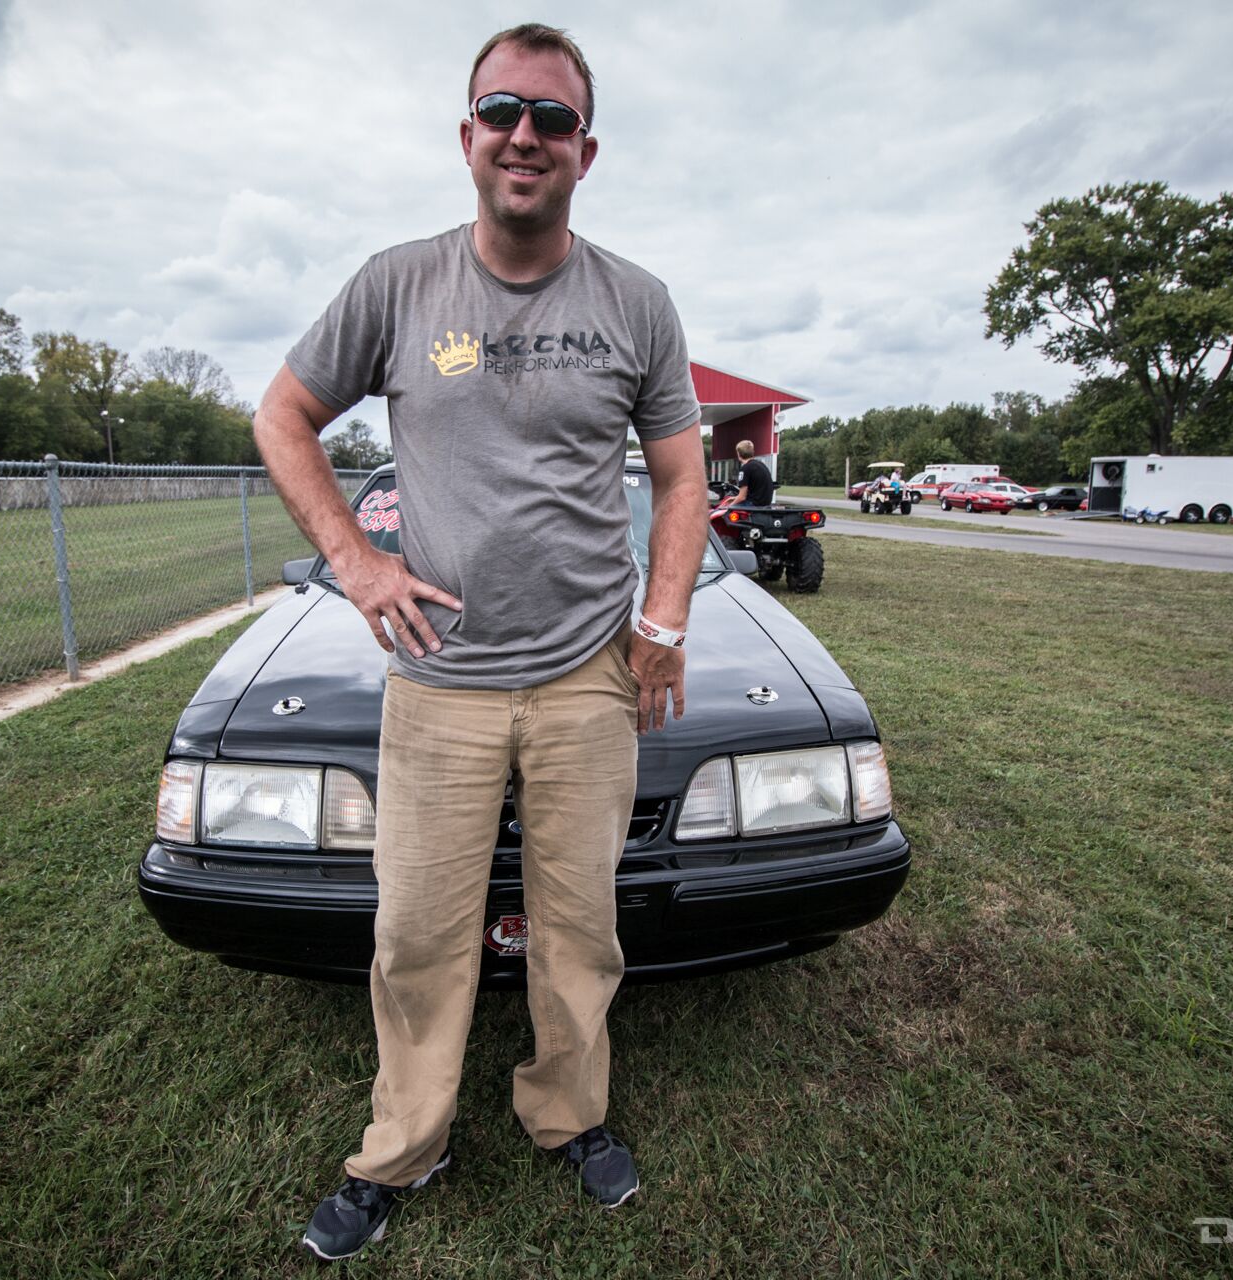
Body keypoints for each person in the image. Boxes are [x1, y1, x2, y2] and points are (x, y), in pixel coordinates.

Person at [252, 23, 707, 1263]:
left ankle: (568, 1113)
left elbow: (681, 477)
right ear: (466, 136)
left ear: (584, 151)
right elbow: (284, 414)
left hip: (587, 675)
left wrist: (663, 622)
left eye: (552, 118)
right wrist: (356, 561)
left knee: (580, 927)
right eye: (502, 111)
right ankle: (405, 1142)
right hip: (439, 680)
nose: (525, 135)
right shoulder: (397, 284)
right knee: (416, 933)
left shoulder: (636, 302)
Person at [714, 439, 774, 507]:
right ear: (752, 452)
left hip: (754, 505)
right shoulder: (761, 465)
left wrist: (728, 507)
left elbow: (742, 497)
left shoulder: (745, 469)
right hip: (765, 505)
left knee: (723, 509)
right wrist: (734, 498)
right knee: (731, 501)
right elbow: (755, 493)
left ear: (739, 453)